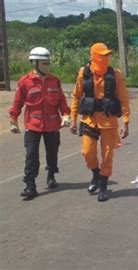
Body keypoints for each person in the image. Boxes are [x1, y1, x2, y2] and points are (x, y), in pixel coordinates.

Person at [70, 43, 130, 202]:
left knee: (108, 155)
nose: (106, 58)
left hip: (109, 121)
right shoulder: (84, 74)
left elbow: (124, 99)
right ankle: (96, 174)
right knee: (87, 152)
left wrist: (125, 121)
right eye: (102, 55)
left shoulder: (115, 75)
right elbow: (76, 96)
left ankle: (103, 185)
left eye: (107, 55)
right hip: (89, 120)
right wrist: (73, 118)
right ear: (93, 56)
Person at [9, 47, 71, 200]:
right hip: (33, 125)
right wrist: (13, 120)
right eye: (44, 63)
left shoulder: (54, 80)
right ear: (34, 63)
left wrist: (66, 115)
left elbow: (62, 101)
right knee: (31, 156)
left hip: (52, 124)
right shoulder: (25, 82)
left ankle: (51, 174)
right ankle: (30, 185)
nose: (47, 66)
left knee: (52, 152)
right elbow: (17, 103)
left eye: (48, 63)